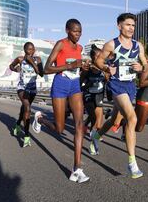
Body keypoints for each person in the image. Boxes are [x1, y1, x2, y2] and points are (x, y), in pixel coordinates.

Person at [32, 19, 90, 183]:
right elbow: (47, 69)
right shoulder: (60, 44)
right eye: (74, 31)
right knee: (59, 128)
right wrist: (69, 67)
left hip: (75, 86)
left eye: (80, 32)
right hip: (60, 85)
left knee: (79, 124)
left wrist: (82, 69)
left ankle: (77, 169)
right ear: (67, 30)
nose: (78, 35)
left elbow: (77, 67)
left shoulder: (79, 48)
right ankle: (40, 119)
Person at [91, 13, 147, 179]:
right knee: (132, 118)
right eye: (128, 25)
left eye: (133, 25)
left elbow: (145, 64)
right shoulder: (111, 44)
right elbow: (98, 61)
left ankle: (96, 136)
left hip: (130, 86)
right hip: (116, 85)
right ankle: (132, 163)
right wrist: (107, 69)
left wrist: (141, 68)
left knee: (115, 120)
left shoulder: (138, 46)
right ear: (119, 26)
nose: (131, 28)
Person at [9, 42, 44, 147]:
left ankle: (17, 124)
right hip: (22, 88)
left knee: (24, 108)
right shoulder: (20, 59)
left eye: (33, 49)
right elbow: (11, 66)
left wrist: (33, 64)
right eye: (29, 49)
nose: (31, 51)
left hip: (32, 89)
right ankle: (27, 136)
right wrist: (16, 69)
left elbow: (41, 74)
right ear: (25, 50)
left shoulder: (38, 60)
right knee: (27, 109)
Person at [80, 45, 106, 155]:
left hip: (99, 96)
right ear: (94, 58)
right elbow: (79, 86)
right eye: (99, 56)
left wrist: (107, 78)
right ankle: (93, 144)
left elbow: (107, 82)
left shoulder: (104, 69)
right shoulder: (87, 70)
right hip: (88, 96)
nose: (102, 58)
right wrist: (89, 84)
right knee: (94, 118)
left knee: (99, 124)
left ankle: (87, 128)